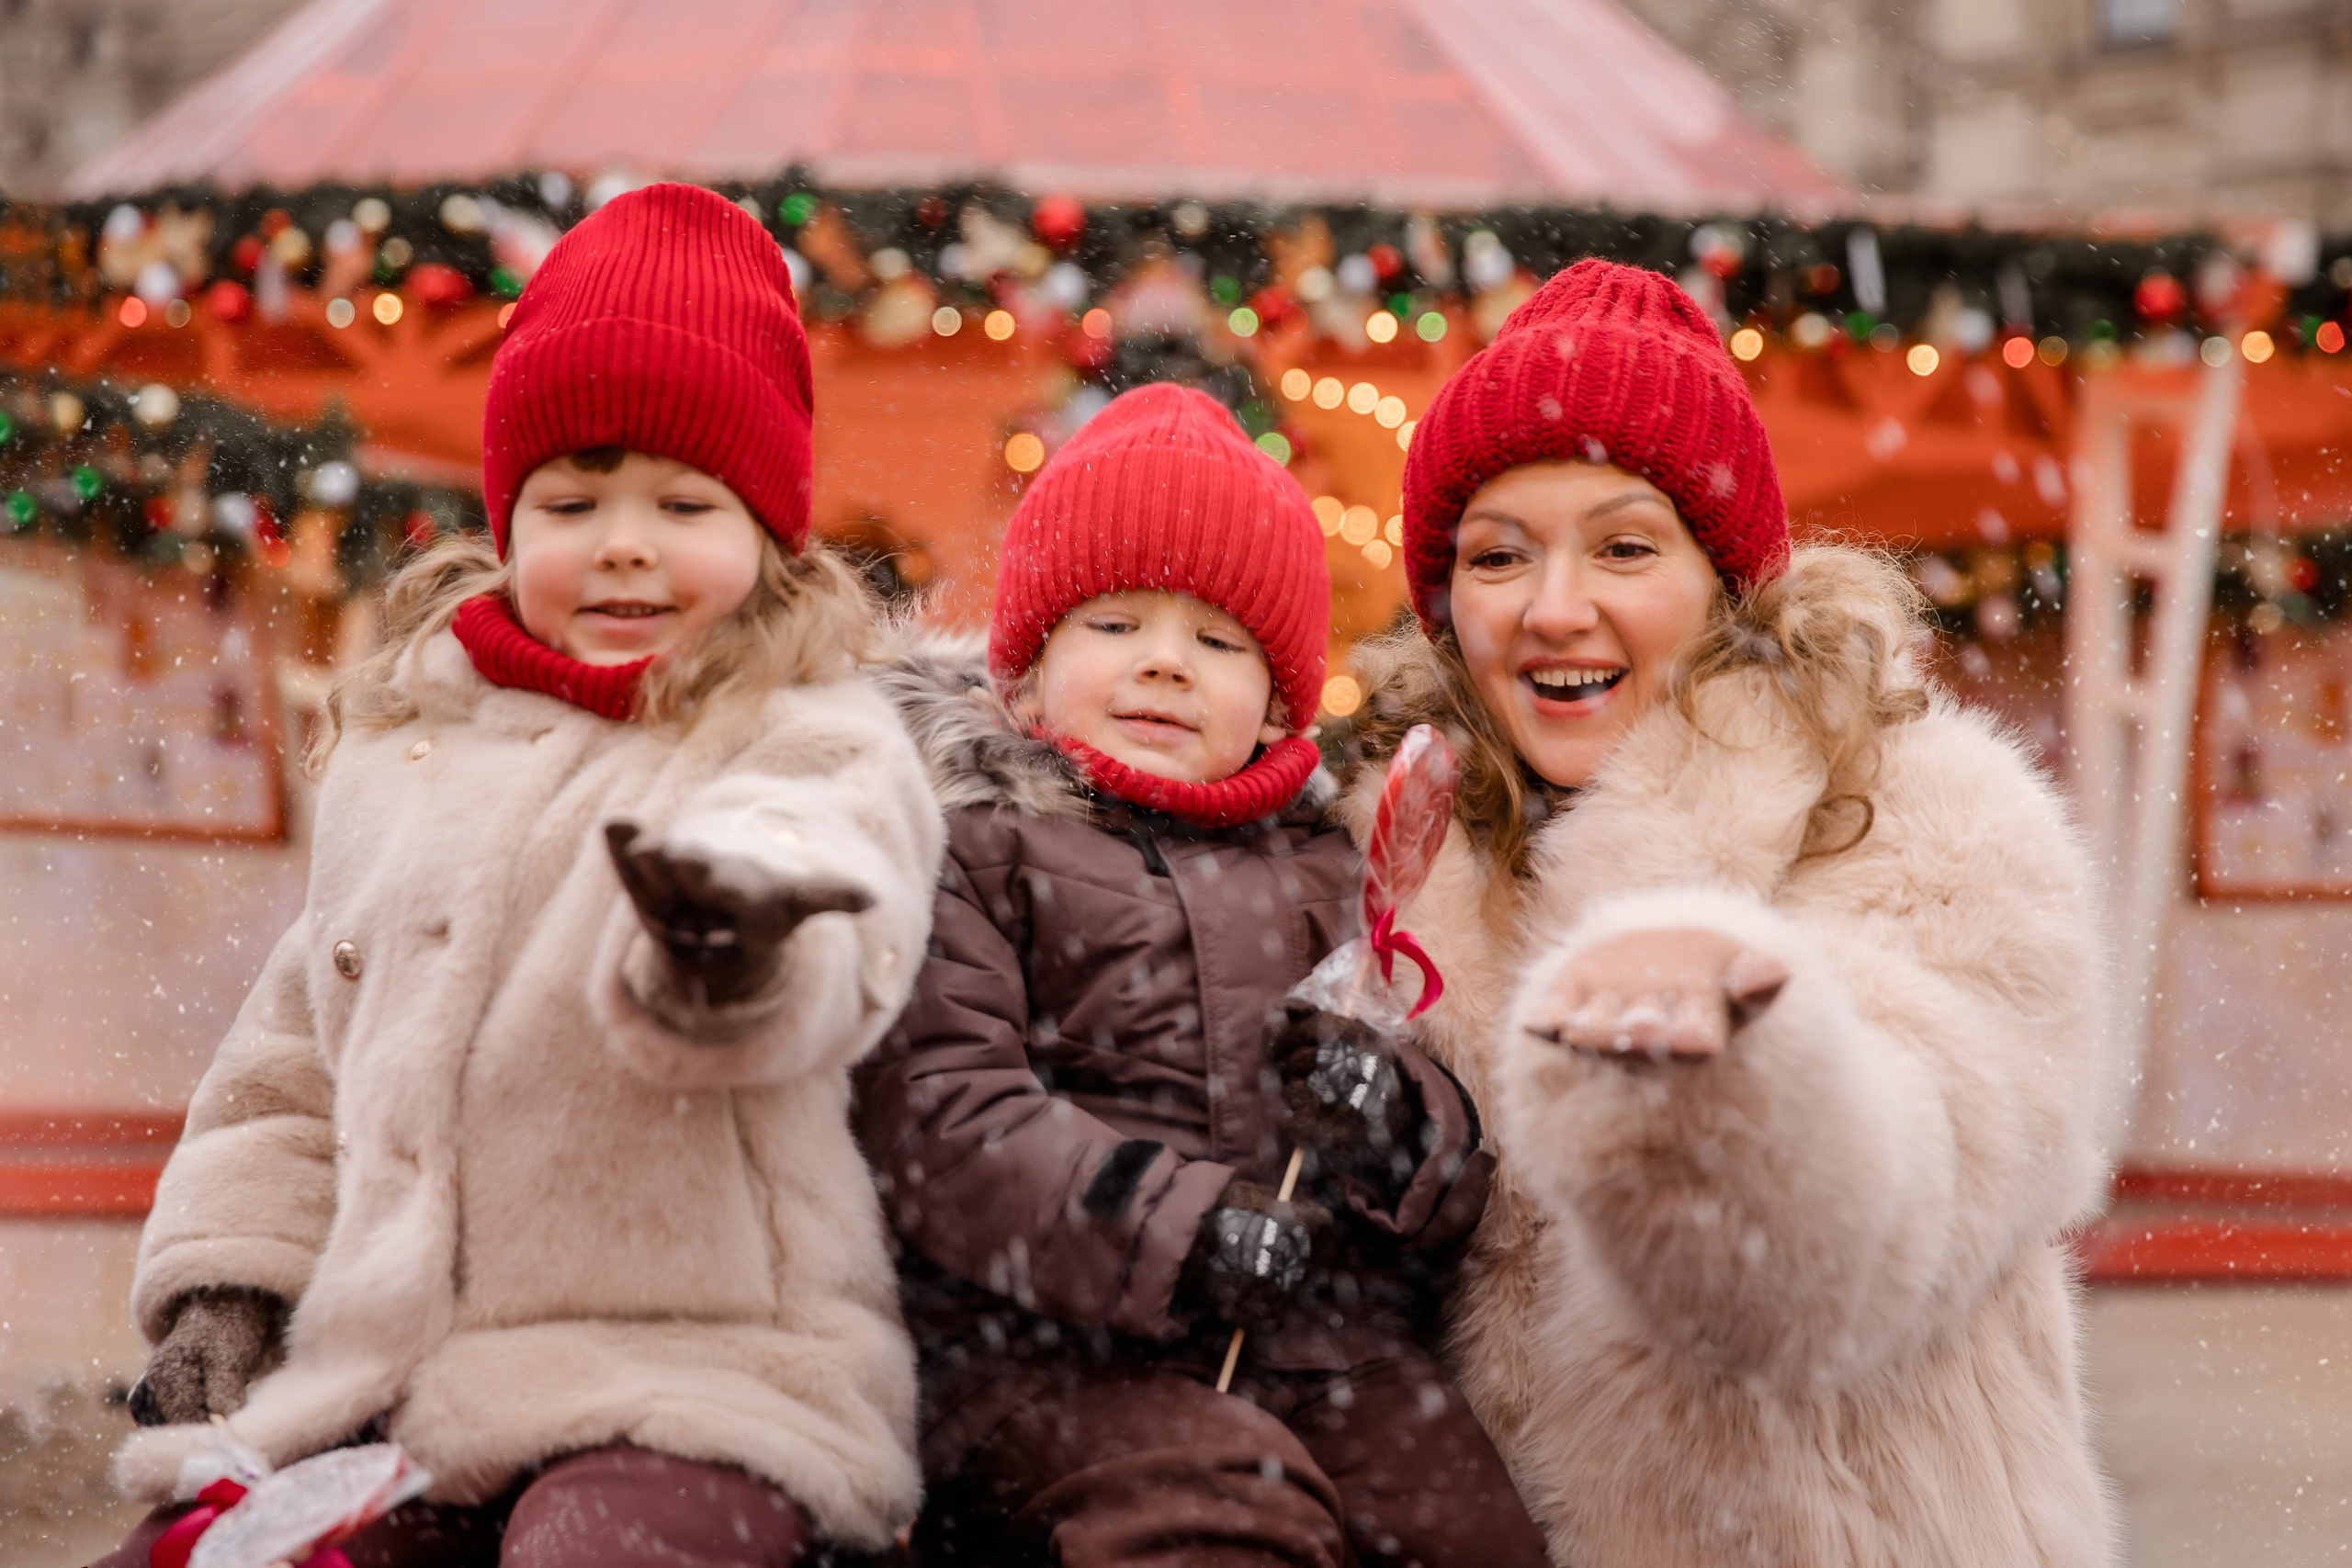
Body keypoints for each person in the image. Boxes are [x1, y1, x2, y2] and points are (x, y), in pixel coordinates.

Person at [93, 184, 940, 1568]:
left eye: (682, 501)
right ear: (507, 516)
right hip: (394, 1385)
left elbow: (833, 884)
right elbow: (299, 1061)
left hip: (697, 1380)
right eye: (573, 498)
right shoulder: (406, 752)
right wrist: (231, 1284)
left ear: (771, 535)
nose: (622, 540)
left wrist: (727, 935)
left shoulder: (799, 731)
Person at [1344, 259, 2124, 1564]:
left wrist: (1740, 1073)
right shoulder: (1406, 853)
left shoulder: (1933, 811)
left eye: (1625, 546)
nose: (1552, 610)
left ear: (1727, 581)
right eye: (1497, 556)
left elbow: (1894, 1212)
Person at [861, 383, 1553, 1568]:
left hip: (1330, 1347)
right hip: (1055, 1355)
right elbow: (946, 1116)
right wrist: (1183, 1232)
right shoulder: (975, 849)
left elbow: (1448, 1164)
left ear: (1280, 704)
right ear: (1022, 672)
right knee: (1214, 1514)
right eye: (1116, 626)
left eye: (1218, 642)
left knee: (1466, 1530)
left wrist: (1392, 1124)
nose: (1168, 666)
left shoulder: (1335, 872)